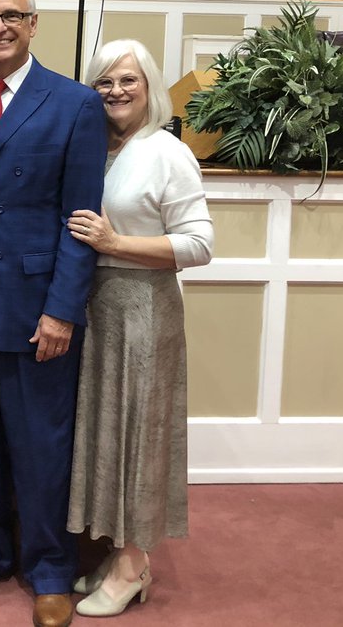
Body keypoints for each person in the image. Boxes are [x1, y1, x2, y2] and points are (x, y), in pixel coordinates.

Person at [0, 0, 107, 627]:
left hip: (39, 305)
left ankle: (50, 569)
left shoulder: (73, 104)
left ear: (34, 25)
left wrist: (64, 309)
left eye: (12, 16)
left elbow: (80, 216)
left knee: (41, 445)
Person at [65, 39, 213, 617]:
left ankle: (133, 566)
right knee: (105, 432)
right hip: (96, 306)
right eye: (103, 81)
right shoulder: (95, 147)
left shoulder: (166, 151)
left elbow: (200, 245)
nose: (116, 91)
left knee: (140, 436)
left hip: (144, 309)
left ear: (149, 87)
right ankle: (116, 553)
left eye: (128, 80)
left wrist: (115, 242)